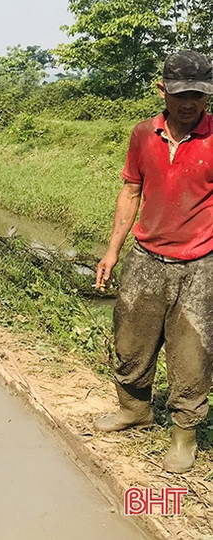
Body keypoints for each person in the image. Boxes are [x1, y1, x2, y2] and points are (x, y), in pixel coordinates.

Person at [94, 50, 213, 474]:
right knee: (130, 341)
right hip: (146, 257)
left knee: (192, 353)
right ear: (162, 90)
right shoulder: (144, 135)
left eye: (198, 94)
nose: (189, 103)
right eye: (180, 94)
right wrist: (112, 250)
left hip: (200, 263)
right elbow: (131, 190)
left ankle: (184, 436)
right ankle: (135, 410)